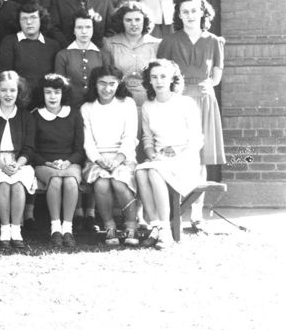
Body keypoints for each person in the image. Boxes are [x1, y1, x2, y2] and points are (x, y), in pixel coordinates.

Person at [157, 0, 225, 228]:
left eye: (194, 10)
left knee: (200, 158)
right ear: (179, 15)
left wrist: (212, 83)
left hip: (205, 101)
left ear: (203, 13)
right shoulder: (169, 41)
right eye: (185, 11)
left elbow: (217, 72)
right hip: (178, 102)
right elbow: (161, 72)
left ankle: (197, 214)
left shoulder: (214, 40)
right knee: (174, 153)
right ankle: (170, 210)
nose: (190, 15)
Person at [135, 59, 204, 248]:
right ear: (149, 81)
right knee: (141, 171)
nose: (159, 81)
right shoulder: (148, 106)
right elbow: (147, 140)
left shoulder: (186, 103)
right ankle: (155, 226)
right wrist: (152, 154)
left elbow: (197, 139)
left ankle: (165, 230)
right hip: (160, 159)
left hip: (185, 160)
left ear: (172, 79)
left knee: (154, 172)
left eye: (163, 76)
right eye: (154, 77)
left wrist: (178, 152)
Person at [81, 65, 141, 247]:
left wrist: (117, 160)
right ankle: (109, 227)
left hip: (123, 157)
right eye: (102, 83)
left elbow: (131, 136)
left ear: (118, 84)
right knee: (101, 183)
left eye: (112, 83)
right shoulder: (87, 107)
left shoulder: (127, 104)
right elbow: (87, 142)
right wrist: (99, 160)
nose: (107, 88)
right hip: (96, 159)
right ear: (95, 84)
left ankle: (131, 225)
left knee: (119, 181)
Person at [0, 70, 36, 250]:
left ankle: (16, 230)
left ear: (19, 92)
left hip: (20, 161)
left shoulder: (26, 116)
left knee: (17, 182)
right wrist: (2, 165)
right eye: (4, 90)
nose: (8, 95)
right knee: (4, 182)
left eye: (12, 90)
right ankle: (4, 230)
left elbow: (29, 148)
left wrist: (16, 164)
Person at [26, 74, 85, 248]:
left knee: (71, 182)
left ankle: (68, 229)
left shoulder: (74, 114)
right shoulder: (35, 116)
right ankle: (55, 229)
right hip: (44, 164)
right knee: (56, 180)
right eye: (48, 92)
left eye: (57, 92)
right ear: (42, 94)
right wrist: (47, 163)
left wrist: (68, 162)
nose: (52, 97)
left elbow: (79, 149)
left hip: (70, 162)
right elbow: (31, 149)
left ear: (63, 94)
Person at [101, 1, 162, 107]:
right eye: (128, 20)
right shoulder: (110, 44)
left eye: (138, 19)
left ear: (145, 21)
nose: (133, 24)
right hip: (119, 99)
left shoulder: (156, 44)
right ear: (121, 22)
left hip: (150, 100)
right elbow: (106, 75)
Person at [0, 0, 62, 91]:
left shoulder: (53, 45)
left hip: (45, 99)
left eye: (33, 17)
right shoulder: (9, 42)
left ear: (41, 19)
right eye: (24, 18)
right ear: (18, 21)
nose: (29, 22)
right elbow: (6, 76)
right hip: (17, 97)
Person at [53, 12, 103, 107]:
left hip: (97, 107)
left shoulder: (103, 55)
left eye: (88, 27)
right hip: (71, 107)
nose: (84, 31)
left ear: (93, 29)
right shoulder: (63, 55)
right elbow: (60, 86)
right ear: (73, 30)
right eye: (79, 27)